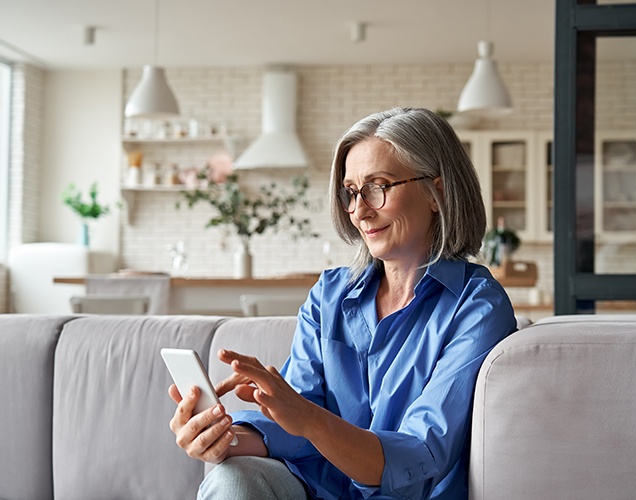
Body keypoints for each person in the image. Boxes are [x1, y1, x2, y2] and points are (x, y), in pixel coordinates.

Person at [168, 107, 517, 499]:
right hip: (317, 491)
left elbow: (421, 455)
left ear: (436, 192)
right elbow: (296, 425)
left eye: (377, 186)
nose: (359, 210)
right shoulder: (330, 295)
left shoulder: (477, 307)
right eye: (351, 192)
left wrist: (309, 420)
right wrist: (224, 436)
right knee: (231, 477)